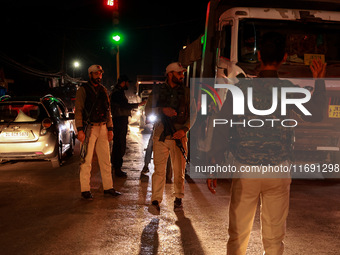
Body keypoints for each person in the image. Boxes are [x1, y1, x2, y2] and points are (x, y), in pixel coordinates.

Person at [207, 32, 326, 254]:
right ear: (283, 58)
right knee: (274, 238)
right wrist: (319, 81)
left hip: (246, 171)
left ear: (259, 56)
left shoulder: (241, 89)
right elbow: (316, 114)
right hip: (278, 170)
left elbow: (222, 126)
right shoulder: (288, 89)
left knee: (238, 235)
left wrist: (213, 163)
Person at [145, 62, 196, 211]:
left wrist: (185, 130)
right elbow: (148, 110)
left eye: (182, 74)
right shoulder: (157, 91)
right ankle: (155, 200)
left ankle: (178, 197)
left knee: (179, 171)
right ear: (170, 74)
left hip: (179, 136)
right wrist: (162, 110)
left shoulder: (186, 92)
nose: (182, 76)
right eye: (179, 73)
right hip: (161, 135)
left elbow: (193, 114)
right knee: (159, 171)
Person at [75, 64, 121, 200]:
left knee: (106, 159)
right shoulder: (83, 90)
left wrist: (110, 128)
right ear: (90, 75)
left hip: (102, 127)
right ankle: (85, 190)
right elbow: (78, 110)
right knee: (86, 160)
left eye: (100, 74)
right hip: (89, 128)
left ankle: (108, 187)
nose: (99, 76)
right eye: (96, 74)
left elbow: (108, 111)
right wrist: (80, 130)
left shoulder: (103, 90)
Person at [110, 74, 146, 177]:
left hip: (120, 120)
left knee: (119, 144)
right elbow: (124, 105)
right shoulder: (117, 93)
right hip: (119, 120)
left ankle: (117, 167)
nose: (128, 85)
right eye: (127, 83)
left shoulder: (118, 92)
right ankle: (117, 168)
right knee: (119, 145)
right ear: (123, 82)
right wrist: (138, 105)